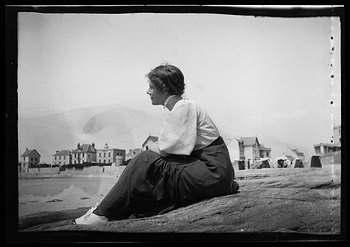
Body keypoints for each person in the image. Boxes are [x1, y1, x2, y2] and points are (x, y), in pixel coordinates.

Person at [74, 64, 239, 224]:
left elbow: (166, 151)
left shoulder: (184, 107)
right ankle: (111, 209)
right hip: (213, 172)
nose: (148, 91)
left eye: (151, 87)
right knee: (152, 165)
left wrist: (151, 147)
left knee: (145, 159)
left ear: (164, 88)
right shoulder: (182, 107)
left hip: (212, 172)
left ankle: (102, 213)